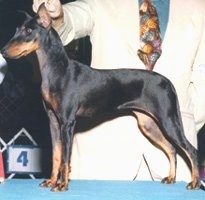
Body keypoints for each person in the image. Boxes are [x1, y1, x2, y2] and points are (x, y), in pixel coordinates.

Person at [32, 0, 205, 182]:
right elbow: (71, 20)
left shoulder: (200, 6)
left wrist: (186, 120)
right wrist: (57, 16)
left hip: (177, 164)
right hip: (104, 158)